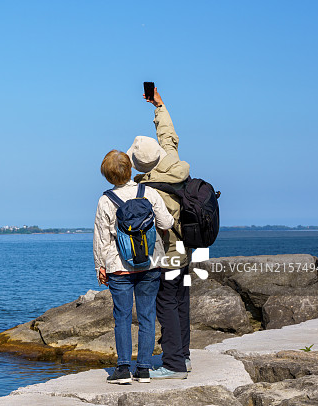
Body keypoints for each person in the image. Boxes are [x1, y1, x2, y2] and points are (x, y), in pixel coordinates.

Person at [93, 150, 173, 384]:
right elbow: (166, 222)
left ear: (107, 176)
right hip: (150, 263)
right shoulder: (148, 193)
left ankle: (123, 369)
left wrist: (100, 266)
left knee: (123, 317)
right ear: (130, 169)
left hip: (119, 266)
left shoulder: (106, 200)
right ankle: (144, 369)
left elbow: (101, 239)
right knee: (147, 315)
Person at [129, 88, 192, 379]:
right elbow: (169, 137)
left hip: (167, 255)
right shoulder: (174, 164)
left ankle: (174, 364)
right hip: (186, 249)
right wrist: (160, 106)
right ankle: (183, 357)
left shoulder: (148, 189)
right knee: (181, 302)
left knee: (166, 304)